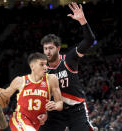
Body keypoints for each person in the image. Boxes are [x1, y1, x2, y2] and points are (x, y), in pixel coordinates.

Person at [39, 2, 96, 131]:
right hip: (55, 113)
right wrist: (42, 113)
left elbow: (89, 40)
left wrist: (82, 21)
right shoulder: (42, 70)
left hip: (76, 110)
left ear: (58, 48)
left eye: (51, 48)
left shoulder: (68, 59)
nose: (48, 52)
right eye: (45, 49)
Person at [3, 52, 63, 131]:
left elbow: (60, 103)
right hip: (20, 118)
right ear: (32, 66)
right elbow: (4, 97)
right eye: (42, 64)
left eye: (46, 64)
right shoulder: (20, 81)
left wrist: (55, 105)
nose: (46, 67)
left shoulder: (51, 79)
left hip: (36, 123)